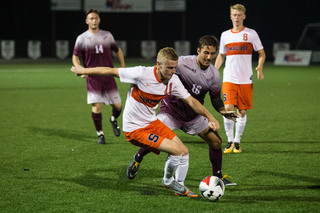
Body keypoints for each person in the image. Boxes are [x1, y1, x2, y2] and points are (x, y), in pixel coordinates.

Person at [71, 47, 220, 197]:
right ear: (158, 64)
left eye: (175, 67)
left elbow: (191, 101)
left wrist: (210, 117)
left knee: (184, 152)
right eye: (169, 68)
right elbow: (110, 71)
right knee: (175, 151)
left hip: (152, 123)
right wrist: (84, 70)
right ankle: (168, 182)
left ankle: (179, 186)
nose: (173, 71)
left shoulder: (173, 80)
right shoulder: (141, 73)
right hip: (134, 129)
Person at [126, 35, 237, 186]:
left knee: (216, 142)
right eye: (206, 52)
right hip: (171, 111)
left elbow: (215, 98)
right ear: (198, 50)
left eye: (212, 53)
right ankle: (138, 158)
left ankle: (218, 176)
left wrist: (223, 111)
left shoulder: (214, 75)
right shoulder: (182, 63)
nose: (209, 57)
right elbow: (161, 71)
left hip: (193, 115)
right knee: (155, 136)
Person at [214, 4, 266, 153]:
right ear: (230, 16)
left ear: (244, 16)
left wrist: (260, 67)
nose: (236, 18)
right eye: (234, 15)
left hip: (245, 79)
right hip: (229, 78)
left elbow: (261, 53)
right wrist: (214, 70)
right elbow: (221, 55)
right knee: (228, 109)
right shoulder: (225, 35)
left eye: (239, 15)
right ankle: (229, 141)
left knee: (242, 111)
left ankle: (237, 141)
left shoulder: (251, 33)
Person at [72, 9, 125, 145]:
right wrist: (80, 69)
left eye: (96, 18)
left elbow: (117, 50)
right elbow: (75, 57)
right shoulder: (82, 38)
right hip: (93, 78)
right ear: (87, 21)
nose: (94, 21)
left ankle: (113, 119)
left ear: (99, 19)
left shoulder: (107, 35)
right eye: (91, 18)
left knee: (118, 106)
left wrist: (122, 65)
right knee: (97, 107)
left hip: (108, 76)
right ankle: (100, 134)